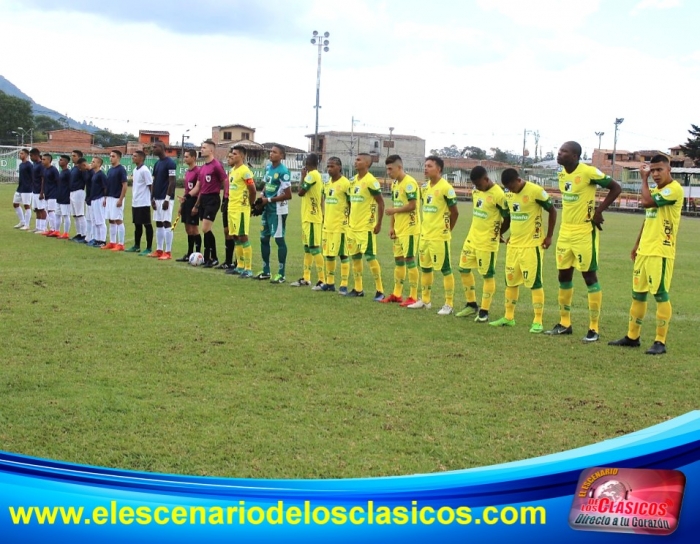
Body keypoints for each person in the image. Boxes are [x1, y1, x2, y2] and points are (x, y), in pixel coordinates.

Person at [546, 141, 621, 342]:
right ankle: (564, 323)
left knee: (589, 277)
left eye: (564, 152)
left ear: (576, 156)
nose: (559, 154)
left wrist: (598, 211)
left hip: (584, 232)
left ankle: (594, 328)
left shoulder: (588, 172)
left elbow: (616, 187)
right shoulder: (561, 173)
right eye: (559, 150)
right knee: (563, 276)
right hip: (565, 232)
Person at [609, 155, 683, 355]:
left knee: (660, 294)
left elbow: (647, 202)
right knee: (638, 295)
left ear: (669, 171)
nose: (655, 174)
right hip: (644, 251)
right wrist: (637, 244)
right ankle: (632, 337)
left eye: (659, 170)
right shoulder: (657, 190)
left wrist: (643, 180)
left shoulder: (673, 189)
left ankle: (660, 341)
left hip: (660, 251)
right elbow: (648, 219)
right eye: (653, 170)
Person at [489, 169, 557, 332]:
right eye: (506, 187)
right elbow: (511, 216)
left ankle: (538, 321)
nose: (509, 190)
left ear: (518, 180)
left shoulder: (535, 191)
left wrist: (549, 237)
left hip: (532, 246)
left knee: (535, 283)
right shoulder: (509, 194)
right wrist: (501, 233)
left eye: (511, 186)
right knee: (511, 282)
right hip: (513, 246)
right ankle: (508, 317)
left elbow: (552, 211)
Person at [455, 166, 510, 322]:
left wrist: (499, 233)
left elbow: (508, 217)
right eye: (475, 185)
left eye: (479, 184)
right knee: (463, 269)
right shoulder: (476, 191)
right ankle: (471, 304)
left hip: (487, 242)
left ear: (486, 179)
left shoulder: (498, 195)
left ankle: (484, 311)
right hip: (472, 238)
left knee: (487, 275)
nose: (477, 187)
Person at [408, 155, 459, 314]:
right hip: (425, 236)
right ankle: (425, 300)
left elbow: (455, 212)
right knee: (425, 268)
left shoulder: (446, 188)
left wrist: (447, 229)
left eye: (429, 166)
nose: (426, 168)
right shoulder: (424, 188)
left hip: (439, 237)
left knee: (445, 270)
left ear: (439, 169)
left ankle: (449, 304)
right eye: (425, 166)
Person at [345, 153, 385, 299]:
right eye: (355, 159)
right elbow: (350, 202)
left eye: (358, 160)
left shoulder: (371, 181)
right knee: (355, 258)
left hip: (365, 227)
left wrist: (379, 223)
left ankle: (380, 290)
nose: (355, 162)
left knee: (370, 257)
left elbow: (381, 202)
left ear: (367, 163)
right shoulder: (353, 181)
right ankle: (358, 288)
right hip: (352, 227)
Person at [382, 154, 419, 305]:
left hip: (410, 229)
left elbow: (412, 205)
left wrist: (394, 211)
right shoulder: (395, 184)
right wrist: (391, 226)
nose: (388, 172)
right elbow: (395, 206)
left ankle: (413, 296)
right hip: (398, 229)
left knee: (409, 260)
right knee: (398, 261)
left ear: (399, 167)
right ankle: (397, 294)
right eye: (387, 169)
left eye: (390, 169)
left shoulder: (409, 183)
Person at [255, 144, 292, 283]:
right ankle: (266, 271)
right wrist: (261, 195)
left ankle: (281, 274)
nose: (271, 154)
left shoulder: (283, 171)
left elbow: (288, 195)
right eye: (270, 151)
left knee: (279, 239)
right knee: (263, 238)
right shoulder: (268, 168)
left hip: (278, 210)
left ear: (281, 156)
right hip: (267, 208)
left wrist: (268, 199)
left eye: (274, 152)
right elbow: (267, 184)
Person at [190, 140, 227, 268]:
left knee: (205, 228)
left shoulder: (216, 165)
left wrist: (226, 198)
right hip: (204, 199)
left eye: (204, 147)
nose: (202, 149)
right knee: (206, 230)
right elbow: (199, 187)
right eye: (201, 147)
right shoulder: (202, 168)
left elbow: (224, 181)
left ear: (211, 150)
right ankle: (208, 258)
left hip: (213, 199)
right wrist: (191, 199)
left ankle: (213, 257)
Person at [291, 153, 325, 288]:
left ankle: (323, 280)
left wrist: (302, 178)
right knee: (307, 248)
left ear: (306, 163)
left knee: (314, 248)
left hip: (312, 217)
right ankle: (306, 278)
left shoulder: (312, 175)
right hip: (308, 217)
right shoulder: (317, 175)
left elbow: (300, 192)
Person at [320, 156, 351, 293]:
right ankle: (330, 282)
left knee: (343, 254)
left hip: (341, 225)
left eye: (332, 166)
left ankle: (344, 284)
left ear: (339, 167)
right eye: (328, 166)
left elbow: (352, 203)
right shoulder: (327, 184)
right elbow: (324, 200)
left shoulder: (346, 183)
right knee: (329, 254)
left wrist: (349, 220)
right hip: (328, 225)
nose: (329, 169)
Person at [225, 145, 256, 277]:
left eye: (236, 154)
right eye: (232, 153)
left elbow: (253, 189)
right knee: (235, 237)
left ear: (243, 156)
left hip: (241, 208)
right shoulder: (232, 170)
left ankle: (248, 269)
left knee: (243, 236)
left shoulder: (245, 171)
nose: (233, 155)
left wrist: (250, 204)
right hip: (232, 208)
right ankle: (240, 266)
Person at [149, 142, 177, 260]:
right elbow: (154, 181)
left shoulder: (170, 163)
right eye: (153, 147)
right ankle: (159, 250)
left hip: (166, 198)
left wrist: (167, 198)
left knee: (166, 222)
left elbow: (172, 181)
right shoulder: (157, 164)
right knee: (159, 223)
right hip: (157, 197)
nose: (153, 149)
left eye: (155, 147)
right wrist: (152, 197)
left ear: (162, 148)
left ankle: (168, 251)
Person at [125, 150, 154, 255]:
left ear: (141, 158)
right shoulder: (135, 170)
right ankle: (136, 246)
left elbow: (150, 185)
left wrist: (152, 199)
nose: (133, 158)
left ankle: (149, 248)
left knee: (147, 224)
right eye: (133, 156)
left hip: (144, 202)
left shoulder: (145, 170)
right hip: (135, 202)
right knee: (137, 225)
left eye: (135, 156)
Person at [176, 149, 201, 262]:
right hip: (186, 201)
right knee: (187, 228)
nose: (185, 158)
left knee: (194, 228)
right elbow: (187, 190)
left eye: (187, 157)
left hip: (194, 201)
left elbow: (199, 189)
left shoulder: (198, 171)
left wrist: (196, 205)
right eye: (184, 156)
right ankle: (190, 253)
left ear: (193, 158)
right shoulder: (187, 172)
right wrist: (182, 204)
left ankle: (198, 253)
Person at [101, 150, 128, 251]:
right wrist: (105, 198)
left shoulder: (121, 170)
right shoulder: (110, 170)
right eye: (110, 156)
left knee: (118, 220)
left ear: (118, 158)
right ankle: (112, 242)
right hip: (110, 198)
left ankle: (120, 244)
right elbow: (108, 186)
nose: (111, 158)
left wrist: (121, 199)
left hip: (117, 198)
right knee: (111, 220)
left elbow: (124, 186)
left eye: (113, 156)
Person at [69, 151, 89, 242]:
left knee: (80, 214)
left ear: (80, 157)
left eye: (74, 156)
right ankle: (79, 233)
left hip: (79, 192)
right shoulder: (73, 169)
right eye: (72, 156)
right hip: (72, 192)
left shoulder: (82, 169)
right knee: (75, 215)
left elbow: (86, 180)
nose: (72, 157)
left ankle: (84, 234)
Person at [87, 156, 107, 247]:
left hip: (99, 198)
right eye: (91, 162)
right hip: (94, 199)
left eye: (94, 162)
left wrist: (105, 198)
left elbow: (106, 187)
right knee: (94, 220)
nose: (92, 163)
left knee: (100, 220)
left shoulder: (101, 174)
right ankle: (96, 239)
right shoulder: (95, 174)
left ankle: (102, 240)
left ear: (99, 164)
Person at [13, 148, 32, 230]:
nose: (20, 155)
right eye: (20, 153)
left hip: (27, 188)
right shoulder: (21, 165)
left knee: (27, 206)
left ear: (27, 155)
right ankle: (22, 221)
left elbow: (33, 177)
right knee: (15, 203)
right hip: (20, 188)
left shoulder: (29, 165)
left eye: (22, 153)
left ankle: (27, 225)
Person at [40, 153, 60, 237]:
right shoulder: (45, 170)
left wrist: (59, 192)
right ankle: (51, 229)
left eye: (44, 159)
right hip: (47, 193)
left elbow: (58, 181)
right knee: (48, 211)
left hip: (53, 193)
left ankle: (55, 230)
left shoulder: (54, 170)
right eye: (42, 159)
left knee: (51, 211)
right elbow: (43, 181)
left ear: (49, 160)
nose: (42, 161)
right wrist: (42, 192)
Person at [29, 148, 47, 233]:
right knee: (36, 209)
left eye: (31, 156)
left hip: (39, 190)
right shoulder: (34, 164)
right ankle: (38, 227)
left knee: (41, 209)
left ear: (36, 155)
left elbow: (43, 178)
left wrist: (42, 192)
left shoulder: (41, 165)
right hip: (34, 190)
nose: (30, 157)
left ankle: (43, 228)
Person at [56, 155, 72, 238]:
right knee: (57, 214)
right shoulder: (62, 171)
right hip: (59, 196)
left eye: (61, 160)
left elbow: (70, 185)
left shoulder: (68, 173)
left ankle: (66, 233)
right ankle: (57, 231)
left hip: (65, 197)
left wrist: (69, 196)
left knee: (65, 215)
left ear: (66, 162)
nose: (59, 161)